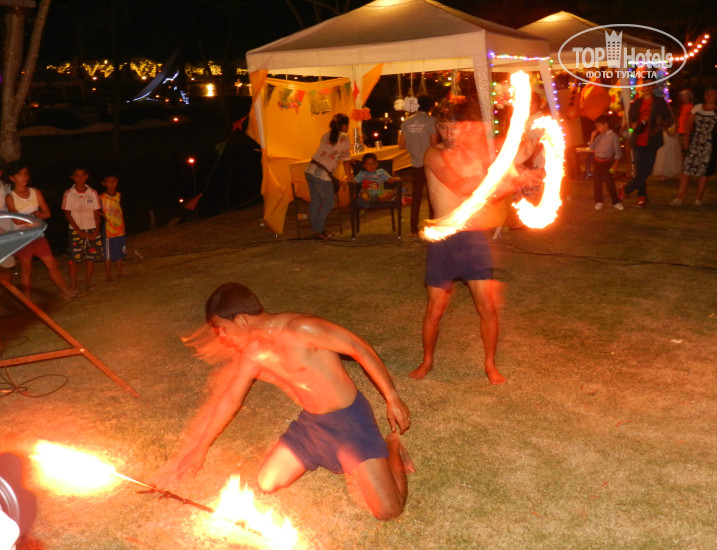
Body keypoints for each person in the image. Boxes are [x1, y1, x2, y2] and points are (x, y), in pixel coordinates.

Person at [156, 282, 412, 520]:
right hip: (313, 426)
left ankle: (391, 445)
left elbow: (358, 346)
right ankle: (328, 454)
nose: (221, 336)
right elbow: (230, 399)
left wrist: (392, 397)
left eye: (222, 328)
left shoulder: (300, 328)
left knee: (387, 510)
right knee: (267, 482)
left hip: (349, 422)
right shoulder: (253, 351)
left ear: (242, 319)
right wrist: (200, 449)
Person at [410, 100, 508, 386]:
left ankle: (490, 365)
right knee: (435, 308)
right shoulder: (433, 154)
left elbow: (492, 188)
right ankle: (427, 360)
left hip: (472, 237)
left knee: (486, 306)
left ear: (465, 128)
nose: (448, 133)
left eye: (454, 127)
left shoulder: (475, 156)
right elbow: (463, 186)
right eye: (443, 127)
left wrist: (521, 167)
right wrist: (500, 177)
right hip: (443, 239)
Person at [4, 161, 77, 300]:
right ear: (12, 178)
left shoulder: (35, 192)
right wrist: (35, 217)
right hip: (22, 238)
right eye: (20, 175)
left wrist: (35, 216)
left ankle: (65, 292)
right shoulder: (11, 197)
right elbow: (16, 220)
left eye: (26, 174)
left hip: (38, 235)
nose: (24, 177)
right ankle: (28, 302)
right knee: (26, 270)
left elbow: (47, 213)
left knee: (52, 265)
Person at [671, 88, 717, 206]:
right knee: (686, 169)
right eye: (707, 94)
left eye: (712, 94)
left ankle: (698, 197)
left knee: (704, 171)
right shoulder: (698, 107)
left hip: (709, 144)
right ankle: (680, 196)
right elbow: (689, 125)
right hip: (695, 142)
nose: (708, 97)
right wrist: (686, 141)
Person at [618, 84, 673, 207]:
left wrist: (660, 124)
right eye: (645, 85)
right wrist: (633, 125)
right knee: (640, 171)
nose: (647, 88)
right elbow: (631, 121)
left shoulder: (659, 102)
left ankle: (625, 189)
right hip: (638, 139)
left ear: (653, 87)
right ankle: (641, 197)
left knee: (647, 170)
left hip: (652, 140)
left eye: (650, 85)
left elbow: (669, 119)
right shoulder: (636, 103)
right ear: (642, 87)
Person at [304, 114, 352, 240]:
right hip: (322, 174)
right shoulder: (344, 137)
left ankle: (316, 230)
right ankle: (319, 230)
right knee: (329, 203)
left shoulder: (326, 134)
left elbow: (331, 153)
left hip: (310, 169)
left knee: (315, 202)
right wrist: (350, 178)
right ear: (344, 125)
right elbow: (346, 161)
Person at [398, 95, 439, 237]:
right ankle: (433, 225)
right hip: (429, 164)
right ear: (431, 106)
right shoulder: (431, 121)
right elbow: (434, 144)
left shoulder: (407, 122)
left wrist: (413, 146)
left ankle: (413, 228)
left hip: (415, 164)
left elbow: (401, 144)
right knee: (432, 197)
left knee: (416, 197)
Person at [61, 167, 103, 291]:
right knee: (73, 258)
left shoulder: (92, 192)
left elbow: (96, 212)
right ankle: (73, 285)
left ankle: (88, 283)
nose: (80, 178)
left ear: (87, 176)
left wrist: (97, 230)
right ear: (72, 178)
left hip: (92, 228)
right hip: (76, 230)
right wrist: (79, 231)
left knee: (91, 257)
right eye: (77, 176)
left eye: (82, 175)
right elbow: (67, 214)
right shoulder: (69, 194)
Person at [588, 114, 624, 210]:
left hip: (606, 162)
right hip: (597, 161)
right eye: (597, 127)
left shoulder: (613, 137)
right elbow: (592, 148)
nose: (597, 129)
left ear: (606, 125)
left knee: (610, 183)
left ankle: (616, 201)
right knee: (597, 182)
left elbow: (618, 152)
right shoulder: (599, 136)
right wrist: (592, 137)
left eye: (599, 126)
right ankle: (598, 201)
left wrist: (615, 164)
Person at [99, 174, 126, 280]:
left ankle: (120, 273)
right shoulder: (101, 197)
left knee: (120, 250)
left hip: (120, 228)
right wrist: (101, 215)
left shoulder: (118, 195)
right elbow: (94, 209)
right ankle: (108, 275)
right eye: (109, 181)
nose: (112, 183)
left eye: (114, 181)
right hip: (109, 229)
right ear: (104, 183)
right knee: (108, 253)